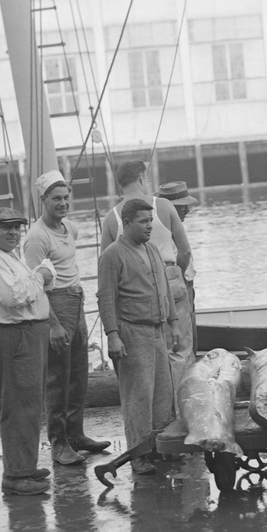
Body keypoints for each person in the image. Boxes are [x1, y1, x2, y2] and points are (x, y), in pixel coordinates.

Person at [24, 170, 110, 467]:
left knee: (78, 375)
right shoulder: (36, 237)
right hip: (55, 305)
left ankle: (76, 435)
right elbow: (36, 287)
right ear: (43, 200)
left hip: (76, 299)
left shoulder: (70, 228)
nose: (62, 203)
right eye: (56, 198)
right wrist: (53, 324)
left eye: (66, 198)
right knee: (57, 379)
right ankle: (59, 443)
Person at [0, 206, 53, 497]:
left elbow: (21, 288)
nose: (13, 233)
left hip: (26, 335)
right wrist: (41, 275)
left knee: (29, 405)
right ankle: (16, 476)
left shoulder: (7, 255)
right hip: (12, 337)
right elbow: (14, 296)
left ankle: (24, 466)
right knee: (18, 407)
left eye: (17, 227)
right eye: (6, 228)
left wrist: (33, 279)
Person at [97, 198, 182, 475]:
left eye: (151, 221)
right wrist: (112, 335)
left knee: (162, 393)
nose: (149, 226)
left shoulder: (153, 250)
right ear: (127, 222)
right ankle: (139, 455)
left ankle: (160, 446)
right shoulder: (112, 255)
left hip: (157, 330)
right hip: (132, 332)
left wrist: (174, 323)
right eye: (144, 221)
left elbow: (166, 290)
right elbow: (106, 297)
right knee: (138, 397)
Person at [101, 162, 194, 402]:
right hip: (170, 276)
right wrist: (178, 276)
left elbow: (107, 265)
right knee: (180, 351)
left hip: (135, 286)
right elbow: (184, 251)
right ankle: (182, 406)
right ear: (142, 178)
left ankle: (159, 410)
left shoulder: (111, 218)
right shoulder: (162, 206)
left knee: (152, 352)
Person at [158, 180, 200, 349]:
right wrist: (180, 277)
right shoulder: (167, 231)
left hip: (186, 284)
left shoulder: (171, 228)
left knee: (189, 332)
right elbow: (185, 253)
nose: (187, 210)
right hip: (179, 284)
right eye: (182, 206)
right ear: (171, 208)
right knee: (183, 339)